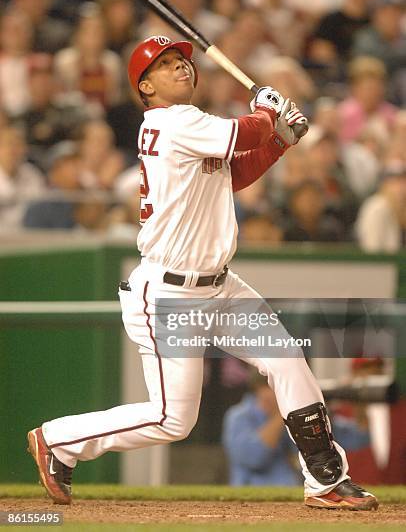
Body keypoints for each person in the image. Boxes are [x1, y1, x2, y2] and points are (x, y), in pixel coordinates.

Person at [27, 35, 378, 511]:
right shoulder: (173, 121)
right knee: (173, 419)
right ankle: (60, 440)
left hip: (221, 287)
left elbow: (233, 175)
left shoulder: (188, 128)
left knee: (288, 360)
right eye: (166, 64)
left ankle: (326, 478)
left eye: (182, 61)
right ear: (145, 87)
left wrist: (279, 140)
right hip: (172, 293)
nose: (181, 68)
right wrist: (266, 112)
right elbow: (244, 135)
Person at [223, 373, 370, 486]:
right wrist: (286, 412)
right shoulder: (239, 416)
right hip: (254, 500)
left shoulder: (300, 417)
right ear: (259, 389)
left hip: (295, 498)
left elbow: (360, 437)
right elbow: (253, 458)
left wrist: (358, 400)